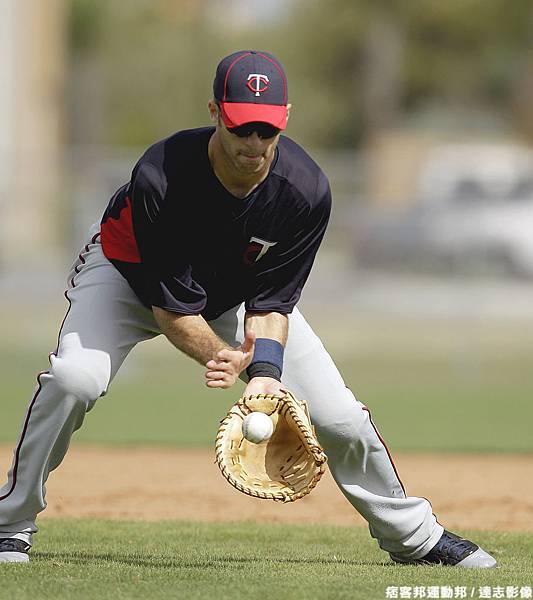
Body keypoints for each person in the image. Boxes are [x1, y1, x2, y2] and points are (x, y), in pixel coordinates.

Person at [0, 50, 496, 567]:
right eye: (241, 128)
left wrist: (264, 373)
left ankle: (414, 538)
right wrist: (226, 356)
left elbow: (273, 302)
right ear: (214, 112)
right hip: (127, 277)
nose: (254, 144)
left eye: (266, 129)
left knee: (341, 417)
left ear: (285, 118)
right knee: (74, 379)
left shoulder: (305, 192)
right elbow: (170, 309)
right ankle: (10, 522)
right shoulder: (161, 176)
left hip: (231, 294)